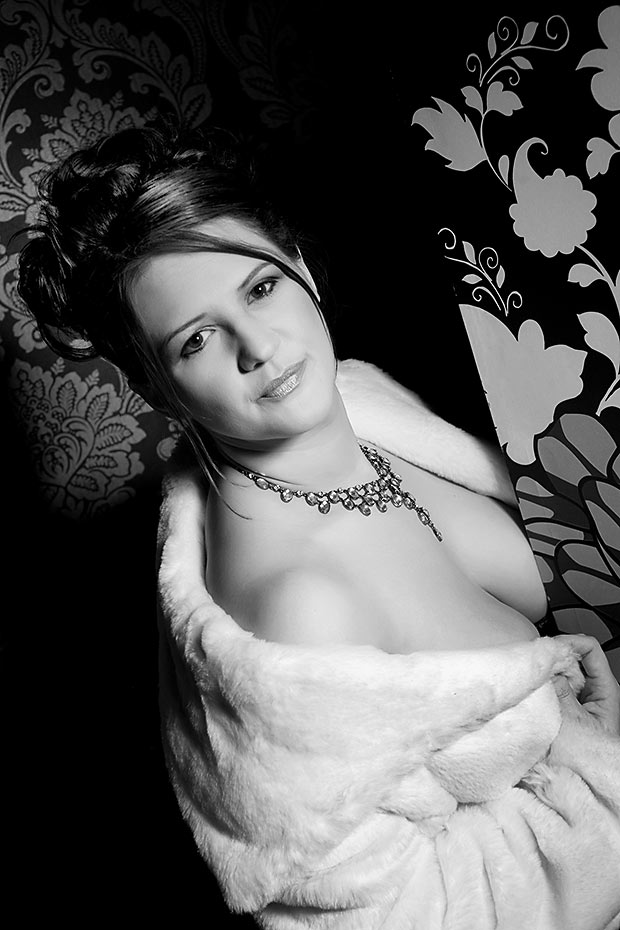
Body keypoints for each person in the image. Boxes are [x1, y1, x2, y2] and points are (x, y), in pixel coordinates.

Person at [18, 122, 620, 930]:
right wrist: (598, 778)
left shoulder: (363, 404)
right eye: (197, 339)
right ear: (158, 388)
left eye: (261, 288)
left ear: (300, 267)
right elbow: (385, 917)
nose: (259, 347)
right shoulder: (297, 606)